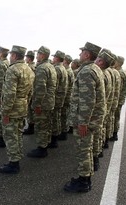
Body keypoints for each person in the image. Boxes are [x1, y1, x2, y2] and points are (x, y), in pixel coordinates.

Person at [64, 42, 105, 193]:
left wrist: (83, 123)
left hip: (86, 121)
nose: (80, 54)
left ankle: (83, 182)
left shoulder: (87, 71)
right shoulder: (93, 69)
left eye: (82, 52)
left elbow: (88, 100)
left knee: (83, 150)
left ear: (87, 54)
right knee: (86, 149)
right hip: (90, 119)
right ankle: (85, 178)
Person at [0, 45, 34, 174]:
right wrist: (25, 103)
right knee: (18, 134)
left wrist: (6, 111)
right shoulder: (28, 69)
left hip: (12, 109)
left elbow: (9, 94)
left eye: (11, 54)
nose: (10, 56)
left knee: (11, 135)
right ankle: (16, 158)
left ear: (14, 56)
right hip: (22, 106)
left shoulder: (13, 70)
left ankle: (13, 164)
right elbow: (30, 92)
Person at [27, 46, 57, 158]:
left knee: (41, 126)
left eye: (38, 54)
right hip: (49, 101)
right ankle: (46, 144)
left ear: (43, 55)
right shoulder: (51, 66)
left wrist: (37, 104)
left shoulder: (41, 68)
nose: (36, 56)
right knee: (47, 125)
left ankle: (42, 149)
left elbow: (40, 88)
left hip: (43, 103)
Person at [93, 50, 113, 171]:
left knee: (94, 137)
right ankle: (96, 158)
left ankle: (94, 161)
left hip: (96, 111)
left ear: (100, 61)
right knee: (98, 134)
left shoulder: (101, 74)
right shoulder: (106, 73)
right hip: (101, 109)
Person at [48, 50, 68, 148]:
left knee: (54, 118)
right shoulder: (63, 68)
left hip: (56, 97)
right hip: (61, 97)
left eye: (54, 57)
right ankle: (56, 136)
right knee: (57, 117)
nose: (53, 58)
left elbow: (53, 85)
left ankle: (53, 139)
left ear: (57, 58)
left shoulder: (56, 69)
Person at [59, 54, 75, 140]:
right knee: (64, 114)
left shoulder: (67, 71)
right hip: (67, 95)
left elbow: (65, 86)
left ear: (65, 61)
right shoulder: (69, 70)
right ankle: (64, 131)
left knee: (64, 115)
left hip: (66, 96)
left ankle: (64, 132)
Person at [111, 56, 126, 141]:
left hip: (118, 98)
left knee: (115, 116)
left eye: (115, 61)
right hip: (119, 98)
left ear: (119, 63)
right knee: (115, 116)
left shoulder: (120, 73)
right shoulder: (120, 72)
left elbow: (118, 88)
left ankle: (114, 134)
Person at [23, 50, 36, 135]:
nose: (25, 58)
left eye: (26, 57)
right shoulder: (33, 66)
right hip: (33, 91)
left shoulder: (30, 67)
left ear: (29, 58)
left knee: (30, 111)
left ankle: (31, 128)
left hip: (31, 92)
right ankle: (31, 127)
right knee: (31, 111)